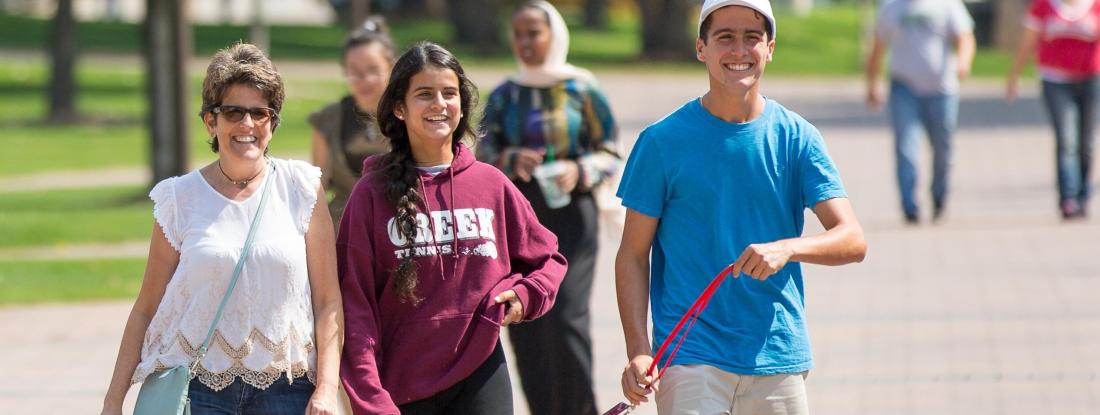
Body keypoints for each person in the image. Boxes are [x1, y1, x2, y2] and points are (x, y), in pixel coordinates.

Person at [615, 1, 868, 414]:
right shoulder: (662, 141)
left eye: (752, 38)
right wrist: (639, 350)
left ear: (770, 48)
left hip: (776, 352)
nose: (739, 50)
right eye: (724, 38)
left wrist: (787, 248)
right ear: (701, 47)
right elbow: (631, 255)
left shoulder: (797, 138)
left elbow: (853, 240)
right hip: (689, 354)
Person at [101, 43, 343, 414]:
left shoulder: (300, 187)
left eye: (259, 113)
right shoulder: (179, 199)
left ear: (272, 124)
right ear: (211, 122)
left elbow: (328, 302)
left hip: (287, 389)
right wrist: (113, 401)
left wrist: (326, 388)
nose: (247, 124)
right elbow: (145, 309)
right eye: (233, 112)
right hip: (199, 391)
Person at [338, 41, 568, 415]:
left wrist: (525, 296)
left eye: (450, 93)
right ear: (399, 107)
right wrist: (369, 397)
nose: (439, 104)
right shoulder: (371, 194)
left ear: (462, 106)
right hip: (401, 386)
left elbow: (549, 260)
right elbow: (354, 305)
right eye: (424, 94)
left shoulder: (491, 184)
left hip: (481, 372)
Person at [476, 2, 619, 414]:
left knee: (566, 318)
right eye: (517, 34)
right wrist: (511, 158)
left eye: (533, 33)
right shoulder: (504, 95)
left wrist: (580, 169)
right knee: (524, 319)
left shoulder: (582, 88)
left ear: (554, 36)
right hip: (519, 217)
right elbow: (481, 151)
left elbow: (611, 151)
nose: (525, 43)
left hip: (573, 216)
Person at [865, 0, 976, 224]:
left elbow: (965, 37)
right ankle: (910, 205)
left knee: (943, 148)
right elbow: (878, 46)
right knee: (906, 147)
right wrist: (872, 84)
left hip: (942, 89)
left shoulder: (947, 5)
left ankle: (939, 195)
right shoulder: (890, 7)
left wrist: (964, 62)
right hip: (904, 88)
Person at [1007, 0, 1099, 219]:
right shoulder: (1043, 5)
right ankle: (1067, 198)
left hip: (1091, 80)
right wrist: (1014, 75)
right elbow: (1028, 40)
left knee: (1086, 142)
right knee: (1066, 139)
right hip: (1055, 80)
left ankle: (1082, 195)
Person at [310, 17, 395, 229]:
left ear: (391, 67)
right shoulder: (328, 119)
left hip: (400, 226)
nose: (363, 79)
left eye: (373, 70)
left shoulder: (409, 115)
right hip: (344, 228)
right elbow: (315, 191)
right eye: (354, 71)